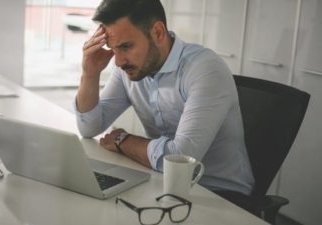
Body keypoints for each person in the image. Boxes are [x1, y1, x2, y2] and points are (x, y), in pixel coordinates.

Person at [74, 0, 254, 202]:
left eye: (126, 46)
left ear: (158, 33)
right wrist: (89, 74)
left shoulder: (205, 69)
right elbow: (89, 128)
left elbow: (181, 157)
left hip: (220, 195)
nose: (118, 61)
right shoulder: (128, 69)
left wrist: (122, 140)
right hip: (162, 182)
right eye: (113, 49)